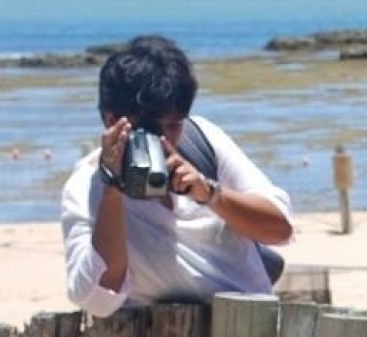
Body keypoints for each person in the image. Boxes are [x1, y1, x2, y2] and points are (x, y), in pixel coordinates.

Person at [62, 35, 293, 317]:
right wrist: (113, 190)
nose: (163, 139)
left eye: (173, 125)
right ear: (112, 121)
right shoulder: (87, 186)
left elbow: (280, 229)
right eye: (149, 128)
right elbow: (97, 298)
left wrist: (209, 194)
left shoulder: (201, 141)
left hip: (244, 329)